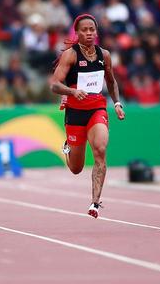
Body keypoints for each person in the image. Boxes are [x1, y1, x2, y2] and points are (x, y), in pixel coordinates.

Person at [50, 14, 125, 218]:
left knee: (100, 149)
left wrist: (116, 103)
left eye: (92, 29)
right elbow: (55, 85)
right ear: (78, 32)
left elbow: (111, 81)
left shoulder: (105, 55)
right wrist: (72, 92)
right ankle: (68, 148)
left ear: (96, 32)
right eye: (84, 30)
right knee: (76, 168)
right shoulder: (70, 55)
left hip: (97, 109)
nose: (89, 33)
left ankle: (95, 202)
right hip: (75, 113)